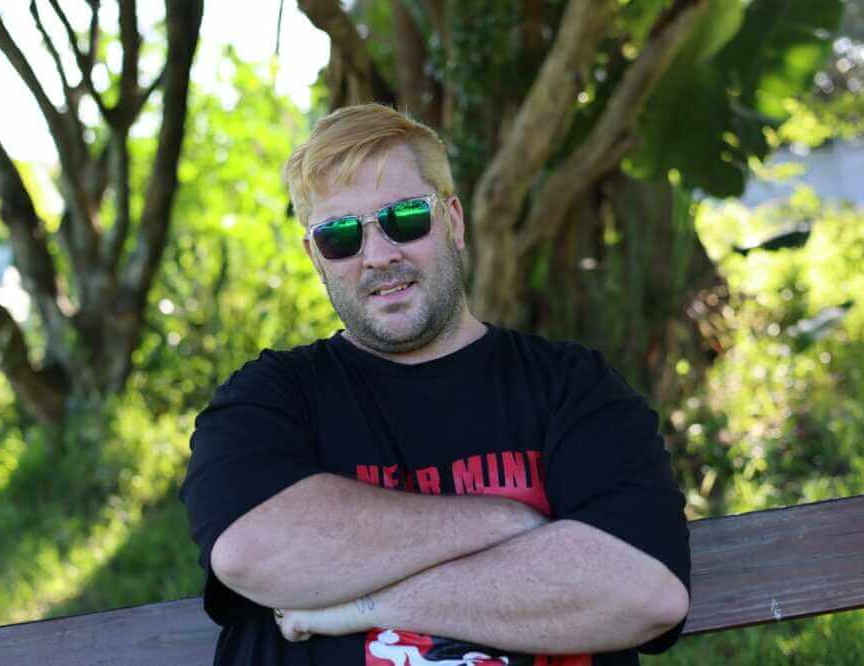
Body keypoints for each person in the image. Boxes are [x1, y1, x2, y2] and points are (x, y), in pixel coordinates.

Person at [180, 103, 691, 666]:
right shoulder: (269, 398)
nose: (379, 255)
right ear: (316, 258)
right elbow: (252, 551)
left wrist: (366, 605)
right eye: (340, 236)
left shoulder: (573, 388)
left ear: (454, 221)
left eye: (405, 218)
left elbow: (645, 593)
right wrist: (508, 522)